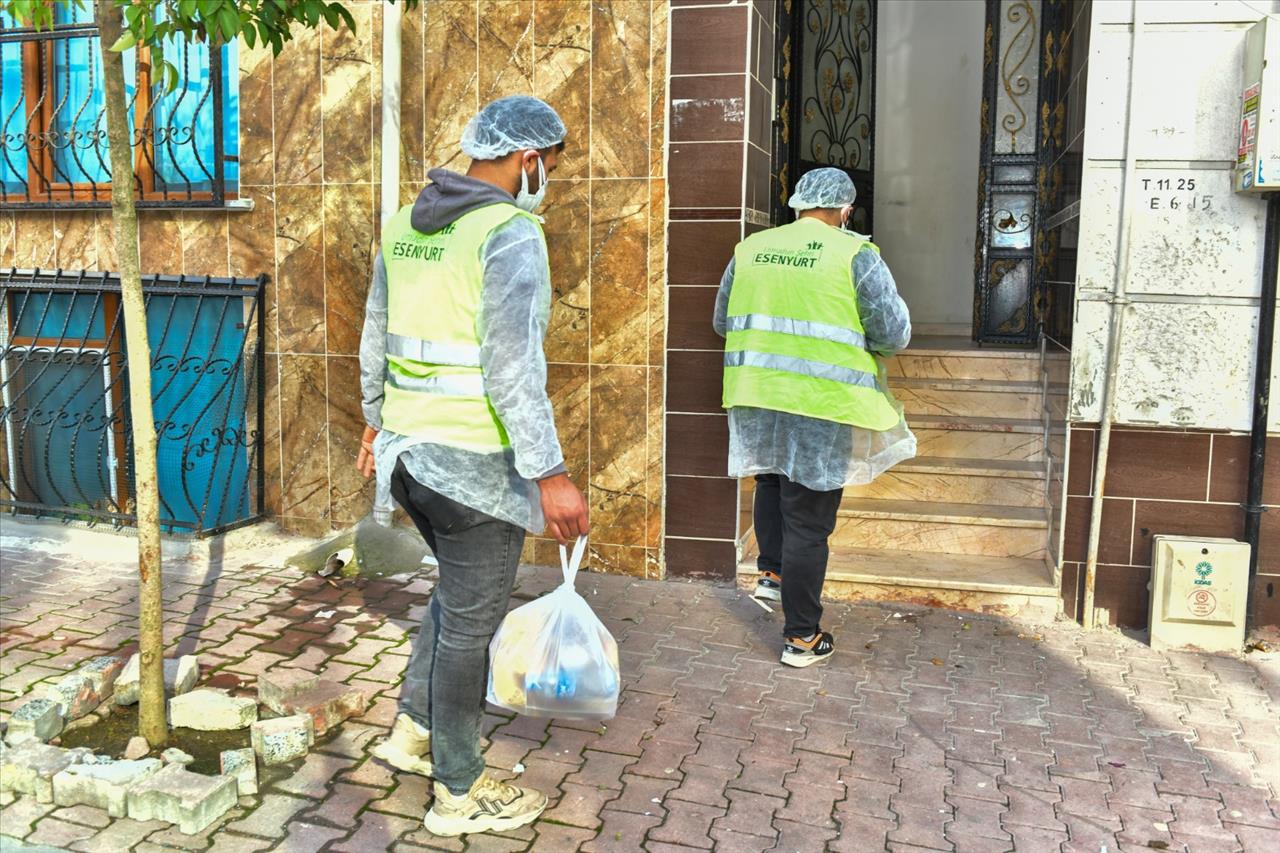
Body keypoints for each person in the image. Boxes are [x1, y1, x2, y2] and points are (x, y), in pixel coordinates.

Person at [357, 95, 589, 836]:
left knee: (455, 600)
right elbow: (513, 366)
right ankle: (459, 789)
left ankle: (413, 730)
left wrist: (375, 422)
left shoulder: (405, 224)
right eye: (548, 166)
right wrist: (549, 472)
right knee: (469, 626)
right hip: (474, 466)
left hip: (408, 457)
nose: (545, 179)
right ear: (526, 160)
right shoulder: (510, 233)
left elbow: (375, 338)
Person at [713, 167, 914, 668]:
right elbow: (893, 334)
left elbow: (722, 321)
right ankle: (801, 637)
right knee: (808, 519)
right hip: (822, 401)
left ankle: (772, 575)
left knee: (772, 483)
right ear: (845, 211)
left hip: (758, 394)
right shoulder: (856, 255)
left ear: (799, 203)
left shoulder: (750, 250)